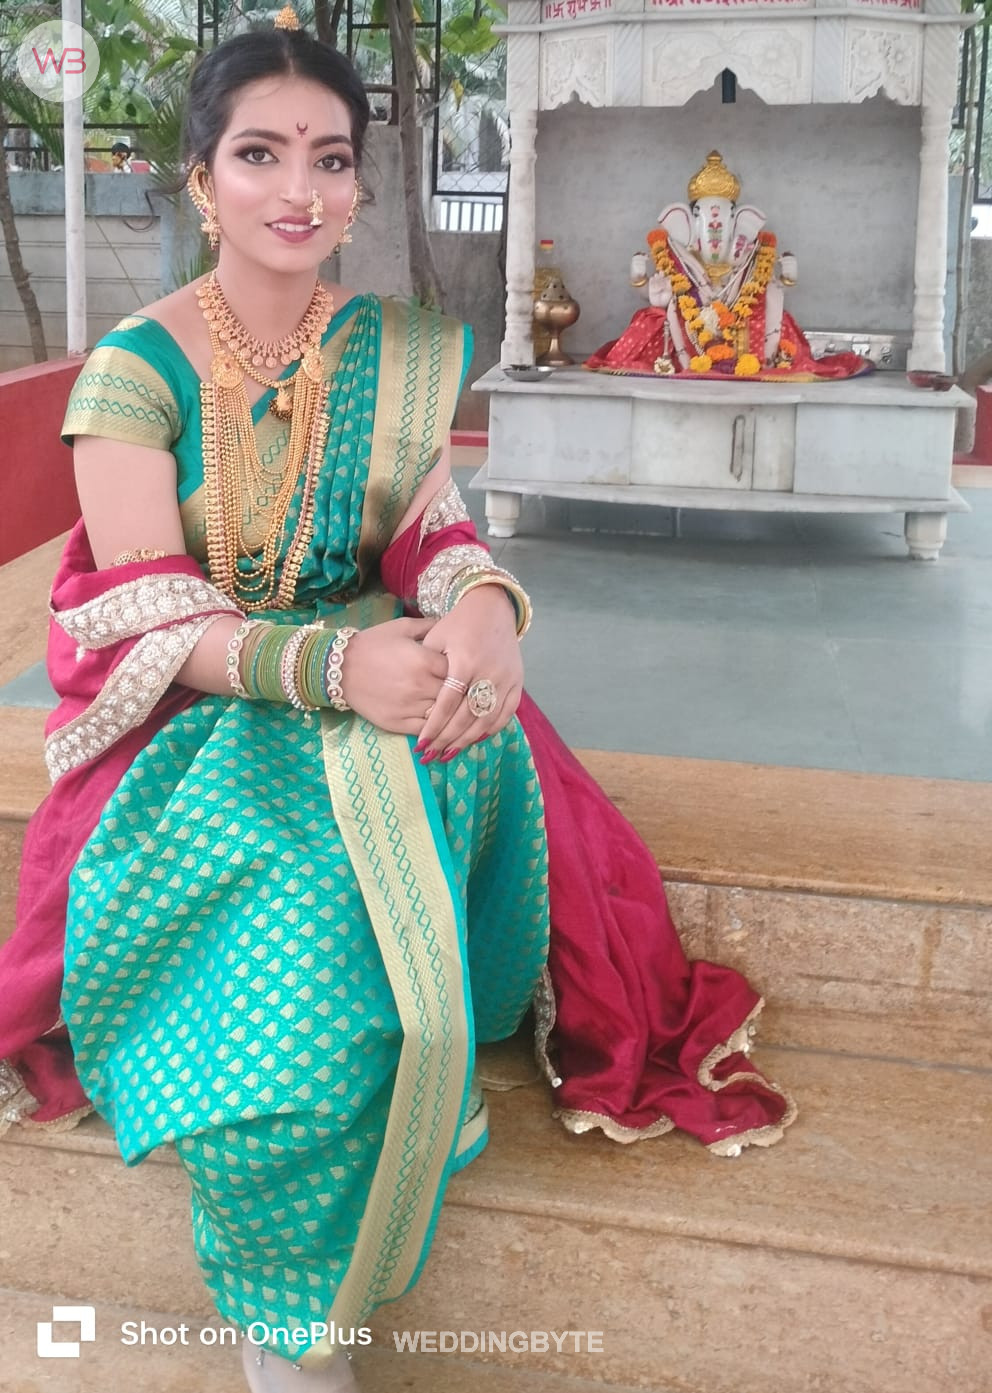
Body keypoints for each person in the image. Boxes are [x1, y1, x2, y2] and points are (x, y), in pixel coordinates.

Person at [0, 12, 796, 1392]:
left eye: (329, 158)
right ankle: (290, 1325)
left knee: (461, 771)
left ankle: (411, 1072)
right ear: (201, 178)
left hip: (391, 687)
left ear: (359, 183)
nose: (299, 189)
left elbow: (430, 530)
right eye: (259, 154)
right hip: (206, 725)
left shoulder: (393, 354)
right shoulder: (136, 370)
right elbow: (143, 609)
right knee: (304, 988)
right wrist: (328, 668)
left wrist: (485, 609)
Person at [586, 149, 871, 380]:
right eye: (707, 220)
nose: (715, 226)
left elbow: (766, 288)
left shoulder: (752, 252)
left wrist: (787, 278)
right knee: (653, 319)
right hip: (687, 322)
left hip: (742, 321)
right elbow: (657, 292)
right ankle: (677, 362)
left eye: (723, 220)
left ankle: (762, 361)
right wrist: (641, 280)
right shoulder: (676, 254)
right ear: (686, 222)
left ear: (740, 221)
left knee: (777, 317)